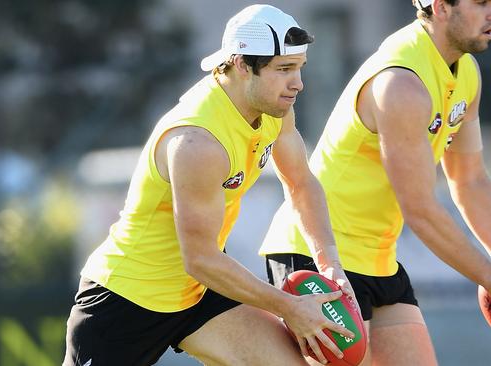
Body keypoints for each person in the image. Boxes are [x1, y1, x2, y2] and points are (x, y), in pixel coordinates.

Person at [259, 1, 491, 365]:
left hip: (379, 260)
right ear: (440, 7)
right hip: (318, 254)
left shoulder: (466, 70)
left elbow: (470, 180)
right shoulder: (401, 83)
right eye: (481, 2)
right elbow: (419, 209)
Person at [64, 4, 359, 366]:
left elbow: (300, 182)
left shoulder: (273, 107)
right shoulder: (197, 142)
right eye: (283, 70)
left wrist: (329, 263)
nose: (297, 83)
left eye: (298, 68)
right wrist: (289, 308)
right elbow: (201, 258)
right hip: (126, 300)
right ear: (241, 65)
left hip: (197, 295)